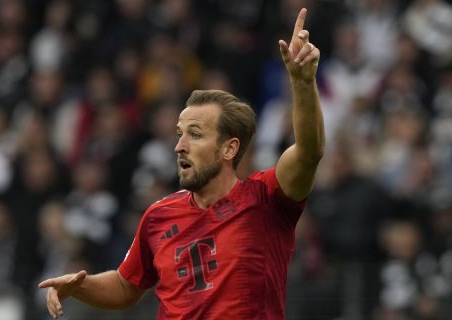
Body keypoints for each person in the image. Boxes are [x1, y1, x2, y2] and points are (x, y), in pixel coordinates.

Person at [38, 8, 324, 320]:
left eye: (195, 135)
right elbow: (125, 285)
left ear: (229, 149)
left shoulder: (265, 199)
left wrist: (302, 84)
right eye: (179, 134)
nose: (179, 146)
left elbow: (309, 152)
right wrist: (78, 287)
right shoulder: (158, 216)